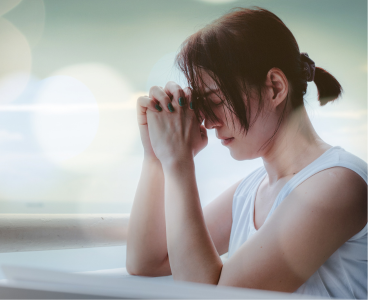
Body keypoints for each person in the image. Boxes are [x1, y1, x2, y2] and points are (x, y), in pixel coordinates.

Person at [126, 6, 367, 299]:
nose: (208, 121)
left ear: (275, 88)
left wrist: (179, 161)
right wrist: (156, 155)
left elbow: (211, 296)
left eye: (215, 100)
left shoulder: (337, 184)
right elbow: (147, 261)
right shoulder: (252, 191)